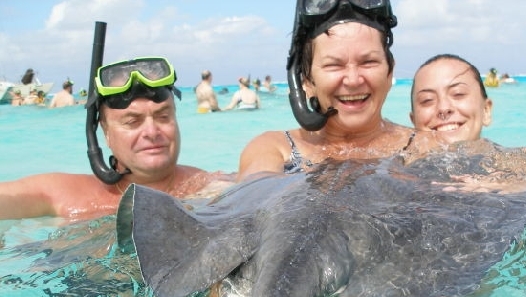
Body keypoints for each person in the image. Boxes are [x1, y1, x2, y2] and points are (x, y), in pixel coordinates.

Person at [0, 56, 233, 220]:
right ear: (105, 132)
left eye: (163, 117)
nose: (152, 132)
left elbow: (264, 167)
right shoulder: (65, 195)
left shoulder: (210, 187)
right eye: (133, 122)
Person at [237, 0, 438, 181]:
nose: (353, 80)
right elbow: (252, 200)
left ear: (389, 72)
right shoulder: (275, 149)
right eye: (334, 65)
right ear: (306, 80)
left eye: (368, 62)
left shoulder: (424, 148)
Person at [409, 53, 493, 144]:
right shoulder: (398, 157)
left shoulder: (507, 157)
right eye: (427, 100)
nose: (443, 108)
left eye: (458, 93)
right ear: (414, 121)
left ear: (486, 111)